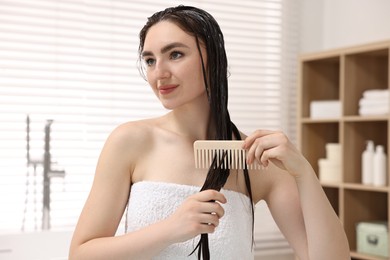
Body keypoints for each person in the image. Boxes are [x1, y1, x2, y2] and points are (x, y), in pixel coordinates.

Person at [69, 5, 350, 260]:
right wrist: (171, 229)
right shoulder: (131, 141)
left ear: (213, 59)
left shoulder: (253, 158)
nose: (159, 74)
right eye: (150, 60)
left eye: (175, 54)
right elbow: (80, 255)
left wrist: (303, 172)